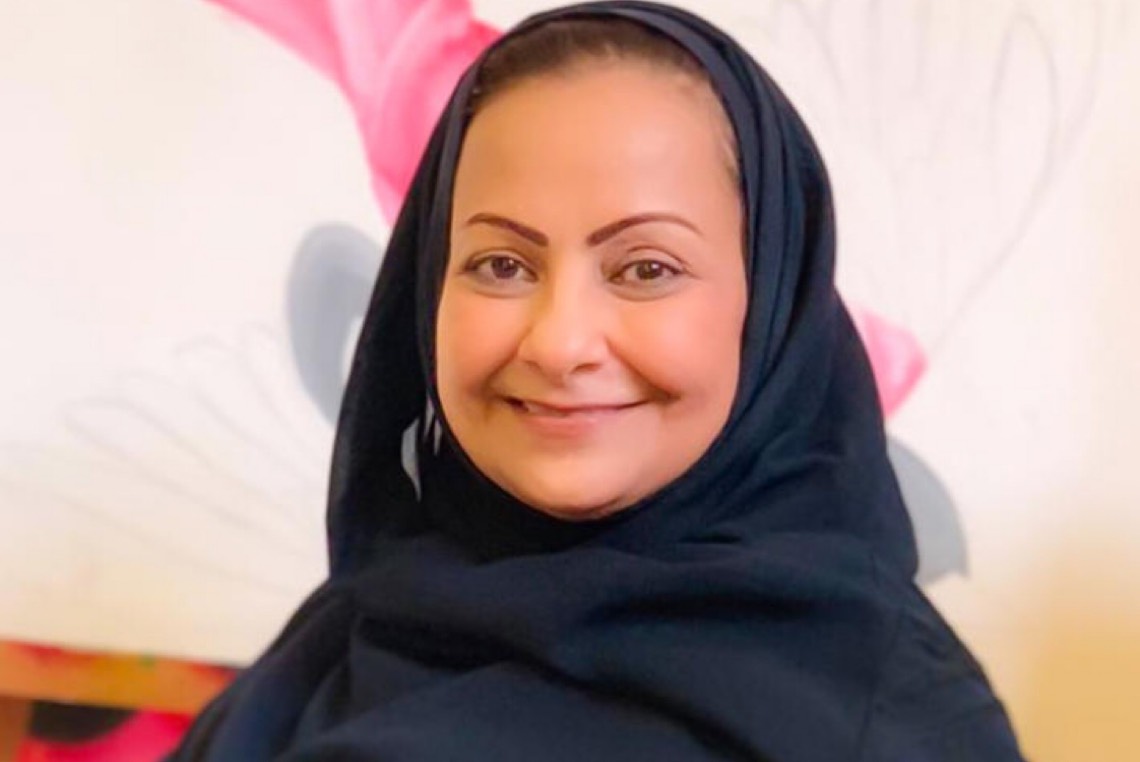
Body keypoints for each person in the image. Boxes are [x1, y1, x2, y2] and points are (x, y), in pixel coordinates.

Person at [168, 2, 1024, 759]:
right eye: (502, 265)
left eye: (646, 268)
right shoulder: (346, 639)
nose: (560, 343)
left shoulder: (890, 725)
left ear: (768, 303)